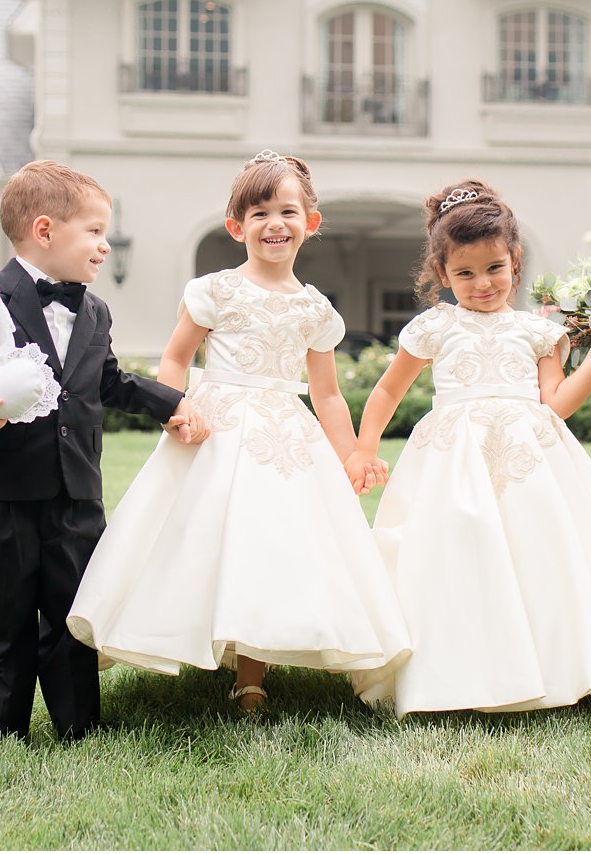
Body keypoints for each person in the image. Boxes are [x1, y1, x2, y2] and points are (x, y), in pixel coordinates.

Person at [344, 180, 591, 716]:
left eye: (494, 268)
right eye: (464, 273)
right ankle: (453, 674)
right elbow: (386, 391)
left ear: (514, 261)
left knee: (542, 554)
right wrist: (364, 448)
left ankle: (557, 668)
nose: (482, 283)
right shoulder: (433, 328)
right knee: (456, 557)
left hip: (531, 459)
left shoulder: (538, 332)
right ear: (442, 274)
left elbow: (557, 403)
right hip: (453, 460)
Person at [67, 150, 409, 713]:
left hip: (283, 436)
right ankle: (180, 633)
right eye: (258, 213)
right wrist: (176, 410)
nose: (274, 224)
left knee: (272, 543)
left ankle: (252, 674)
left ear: (311, 224)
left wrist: (349, 452)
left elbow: (324, 393)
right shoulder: (215, 290)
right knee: (199, 537)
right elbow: (174, 358)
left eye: (287, 211)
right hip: (215, 427)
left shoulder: (314, 309)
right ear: (236, 227)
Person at [0, 160, 204, 741]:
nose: (104, 245)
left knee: (72, 618)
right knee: (3, 621)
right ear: (45, 231)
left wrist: (169, 404)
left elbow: (107, 380)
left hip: (78, 498)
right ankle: (0, 729)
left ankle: (78, 725)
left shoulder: (94, 310)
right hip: (7, 498)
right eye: (93, 231)